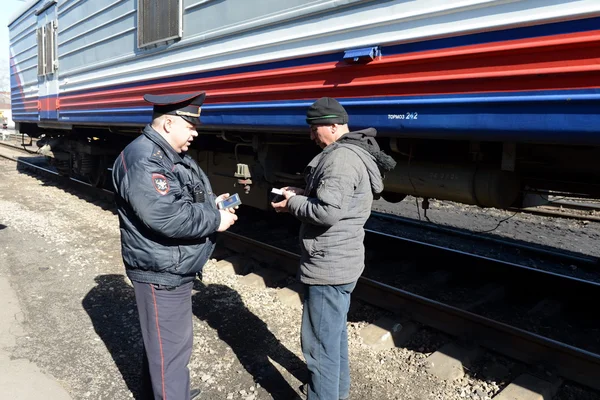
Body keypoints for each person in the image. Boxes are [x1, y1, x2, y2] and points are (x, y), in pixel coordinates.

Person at [112, 91, 238, 400]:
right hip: (161, 269)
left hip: (171, 264)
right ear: (168, 124)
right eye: (190, 125)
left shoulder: (166, 155)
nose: (196, 132)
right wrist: (215, 220)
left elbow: (180, 197)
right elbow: (168, 217)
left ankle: (164, 391)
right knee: (171, 351)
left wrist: (213, 204)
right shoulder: (145, 160)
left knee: (165, 347)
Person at [271, 97, 396, 400]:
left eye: (315, 129)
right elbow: (338, 198)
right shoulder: (352, 153)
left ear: (334, 126)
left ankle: (323, 395)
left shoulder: (339, 158)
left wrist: (292, 203)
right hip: (343, 258)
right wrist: (304, 193)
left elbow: (327, 212)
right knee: (334, 335)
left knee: (318, 344)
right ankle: (335, 392)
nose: (312, 135)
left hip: (329, 263)